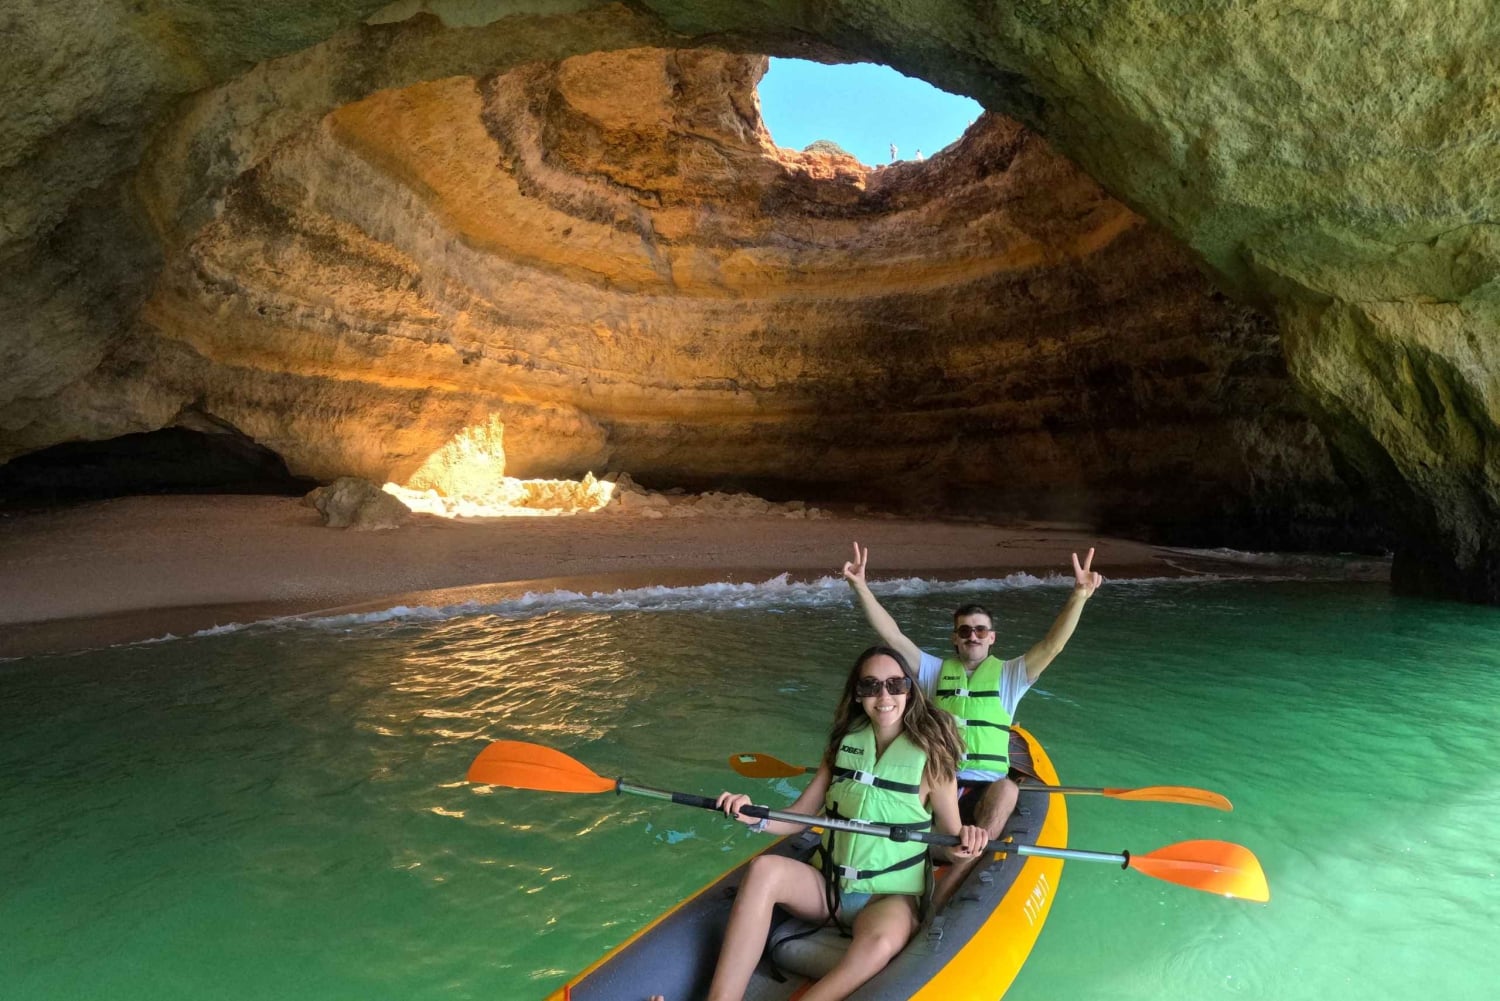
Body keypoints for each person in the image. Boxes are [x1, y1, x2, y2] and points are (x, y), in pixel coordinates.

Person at [650, 647, 986, 1001]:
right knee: (764, 870)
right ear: (857, 695)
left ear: (909, 690)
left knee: (881, 944)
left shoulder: (933, 759)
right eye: (870, 686)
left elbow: (951, 840)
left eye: (895, 684)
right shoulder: (842, 748)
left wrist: (967, 839)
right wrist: (754, 816)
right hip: (829, 887)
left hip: (887, 899)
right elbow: (799, 817)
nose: (884, 696)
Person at [841, 542, 1103, 905]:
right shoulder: (933, 671)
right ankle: (883, 867)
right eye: (964, 631)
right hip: (937, 782)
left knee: (1008, 789)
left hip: (984, 790)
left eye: (980, 630)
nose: (973, 636)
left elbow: (1051, 646)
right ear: (955, 638)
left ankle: (951, 882)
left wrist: (1080, 595)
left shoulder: (1011, 676)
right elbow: (893, 636)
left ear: (992, 638)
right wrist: (860, 587)